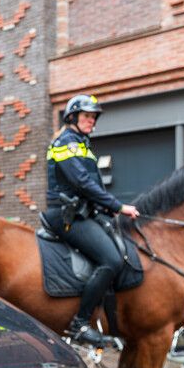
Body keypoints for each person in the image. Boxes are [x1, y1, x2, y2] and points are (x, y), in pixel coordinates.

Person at [44, 94, 140, 346]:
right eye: (87, 116)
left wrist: (107, 210)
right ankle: (79, 324)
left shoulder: (82, 144)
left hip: (83, 212)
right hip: (66, 215)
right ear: (72, 117)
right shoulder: (67, 143)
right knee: (111, 259)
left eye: (94, 117)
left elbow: (91, 186)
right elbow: (82, 183)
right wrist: (117, 205)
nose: (92, 121)